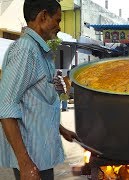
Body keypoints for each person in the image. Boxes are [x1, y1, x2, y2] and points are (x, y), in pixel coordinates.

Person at [0, 1, 80, 179]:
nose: (59, 27)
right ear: (43, 16)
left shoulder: (37, 51)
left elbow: (36, 102)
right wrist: (25, 163)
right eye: (57, 20)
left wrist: (60, 128)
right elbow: (6, 108)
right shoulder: (25, 50)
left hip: (39, 156)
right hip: (31, 157)